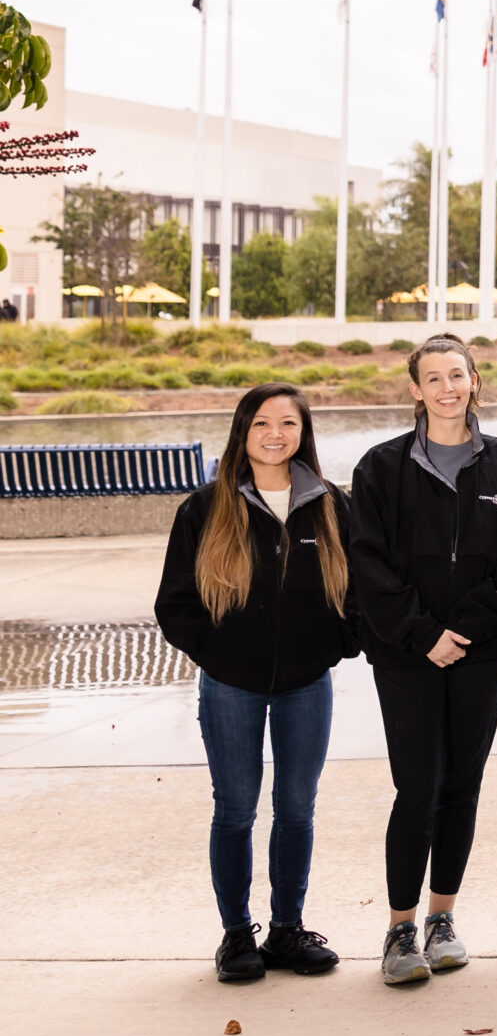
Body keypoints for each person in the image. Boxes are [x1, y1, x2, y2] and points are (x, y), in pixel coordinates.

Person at [349, 334, 497, 986]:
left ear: (474, 380)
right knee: (417, 788)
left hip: (481, 655)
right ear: (415, 389)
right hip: (406, 656)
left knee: (461, 786)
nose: (447, 388)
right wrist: (422, 632)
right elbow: (367, 564)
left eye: (456, 375)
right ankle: (400, 927)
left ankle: (442, 918)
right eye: (433, 378)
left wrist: (465, 629)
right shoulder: (380, 468)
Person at [156, 383, 354, 983]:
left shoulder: (329, 504)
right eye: (262, 423)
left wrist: (335, 647)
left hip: (306, 686)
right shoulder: (203, 508)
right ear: (243, 431)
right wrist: (219, 655)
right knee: (236, 810)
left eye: (288, 424)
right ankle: (237, 937)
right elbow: (175, 603)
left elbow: (356, 594)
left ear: (303, 432)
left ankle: (287, 931)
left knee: (297, 809)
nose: (275, 434)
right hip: (231, 688)